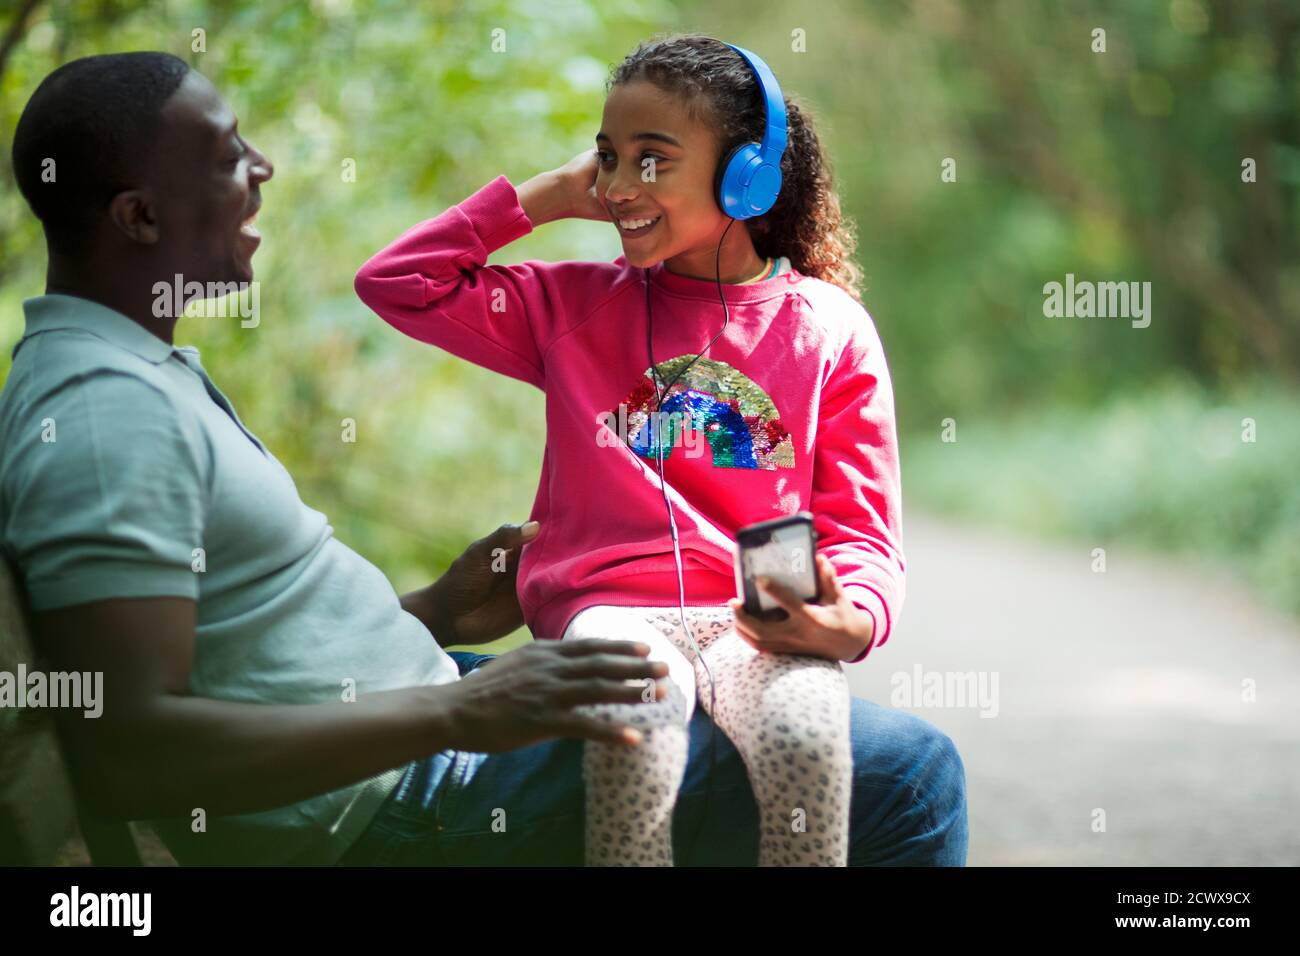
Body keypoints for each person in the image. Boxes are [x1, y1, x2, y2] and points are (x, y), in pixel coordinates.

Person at [354, 33, 967, 866]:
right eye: (606, 157)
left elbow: (860, 533)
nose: (616, 184)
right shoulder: (568, 306)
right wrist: (540, 199)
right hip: (611, 614)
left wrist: (847, 620)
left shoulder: (828, 329)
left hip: (754, 629)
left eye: (652, 160)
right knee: (634, 717)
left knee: (810, 733)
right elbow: (397, 282)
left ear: (745, 175)